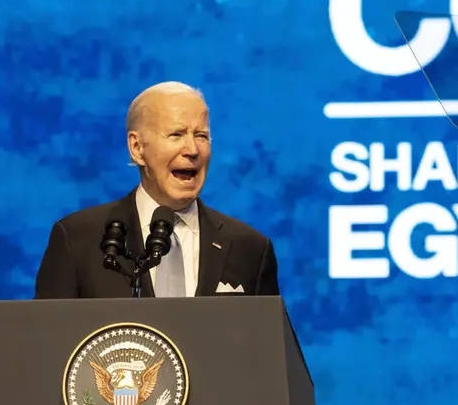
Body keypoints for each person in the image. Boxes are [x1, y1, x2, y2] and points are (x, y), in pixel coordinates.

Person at [34, 81, 280, 299]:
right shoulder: (78, 240)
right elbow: (48, 342)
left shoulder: (250, 249)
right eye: (176, 134)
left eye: (202, 136)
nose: (192, 150)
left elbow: (267, 347)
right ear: (137, 147)